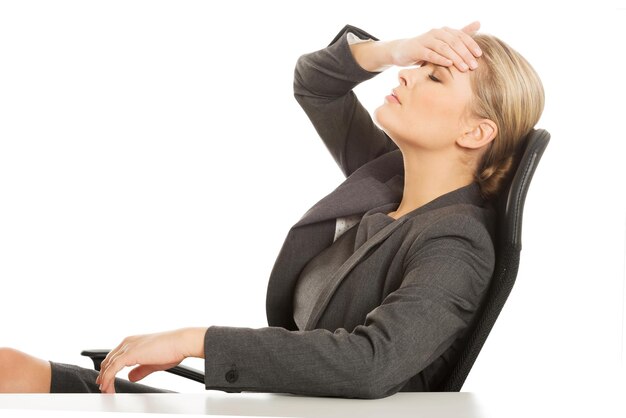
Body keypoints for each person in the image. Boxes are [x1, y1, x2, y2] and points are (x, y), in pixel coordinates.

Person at [0, 20, 544, 398]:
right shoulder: (385, 178)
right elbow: (317, 86)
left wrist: (197, 341)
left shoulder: (456, 241)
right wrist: (394, 49)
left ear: (476, 132)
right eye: (416, 66)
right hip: (274, 402)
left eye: (433, 75)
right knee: (11, 370)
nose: (405, 76)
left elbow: (373, 362)